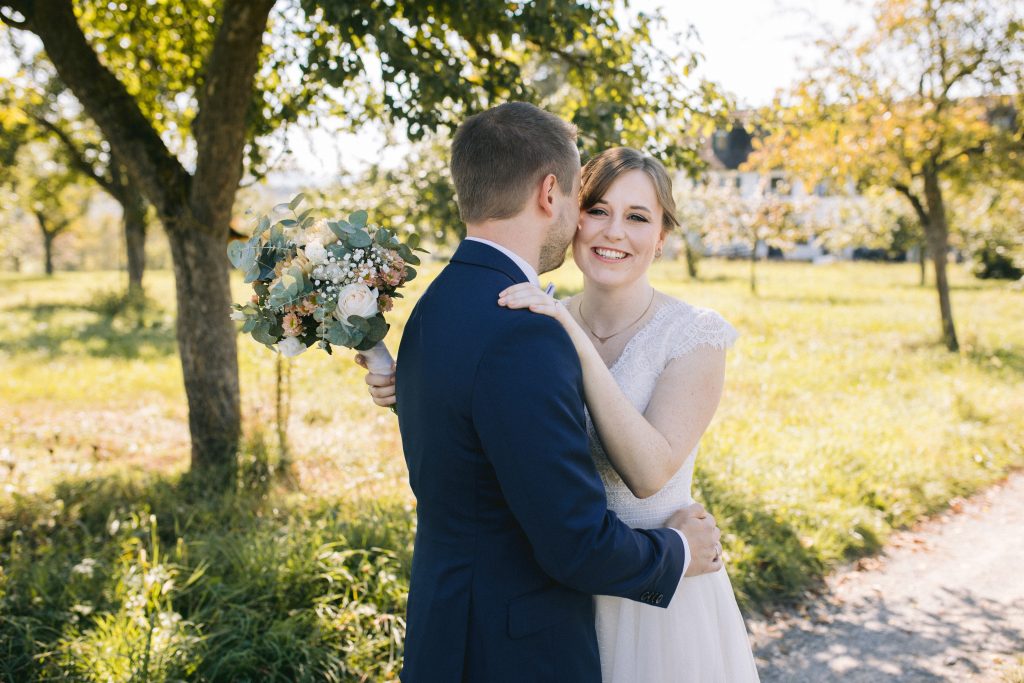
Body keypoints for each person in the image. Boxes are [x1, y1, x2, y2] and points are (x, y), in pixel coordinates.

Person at [361, 102, 723, 683]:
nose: (607, 227)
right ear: (553, 194)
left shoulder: (434, 305)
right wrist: (679, 551)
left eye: (637, 217)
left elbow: (483, 432)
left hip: (458, 623)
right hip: (526, 634)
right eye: (594, 207)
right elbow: (573, 543)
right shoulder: (525, 327)